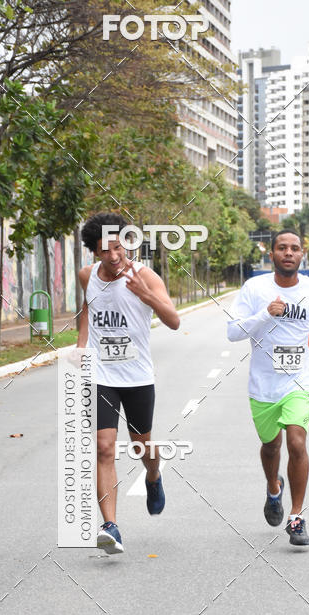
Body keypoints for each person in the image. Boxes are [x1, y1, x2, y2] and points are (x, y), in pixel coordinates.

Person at [77, 212, 180, 554]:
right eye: (105, 250)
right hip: (102, 376)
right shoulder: (87, 276)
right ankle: (111, 527)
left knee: (141, 447)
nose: (114, 255)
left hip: (137, 377)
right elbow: (87, 311)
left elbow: (174, 321)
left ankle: (153, 475)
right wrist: (81, 348)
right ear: (95, 252)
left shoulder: (145, 276)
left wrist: (145, 295)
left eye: (118, 246)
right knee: (104, 447)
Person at [227, 230, 309, 546]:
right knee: (271, 446)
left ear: (303, 256)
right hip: (264, 384)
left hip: (299, 378)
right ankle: (274, 489)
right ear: (271, 254)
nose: (289, 252)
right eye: (282, 248)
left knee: (297, 442)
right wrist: (264, 313)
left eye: (295, 248)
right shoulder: (254, 288)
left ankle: (297, 517)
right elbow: (232, 332)